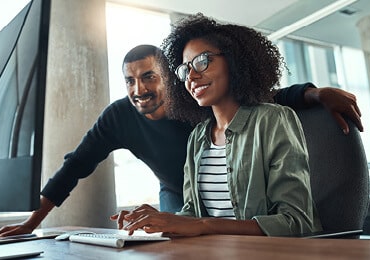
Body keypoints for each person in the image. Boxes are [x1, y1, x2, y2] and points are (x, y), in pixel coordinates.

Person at [0, 40, 359, 238]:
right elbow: (76, 165)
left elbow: (266, 97)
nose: (139, 88)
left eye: (149, 76)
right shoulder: (119, 116)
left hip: (238, 194)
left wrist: (315, 93)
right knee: (168, 237)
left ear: (169, 76)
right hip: (179, 194)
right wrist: (33, 222)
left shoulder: (198, 102)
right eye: (130, 80)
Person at [111, 13, 323, 237]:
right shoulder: (198, 137)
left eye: (203, 61)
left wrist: (205, 225)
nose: (191, 76)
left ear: (233, 60)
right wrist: (159, 219)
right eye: (185, 69)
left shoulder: (273, 120)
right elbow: (193, 214)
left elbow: (296, 222)